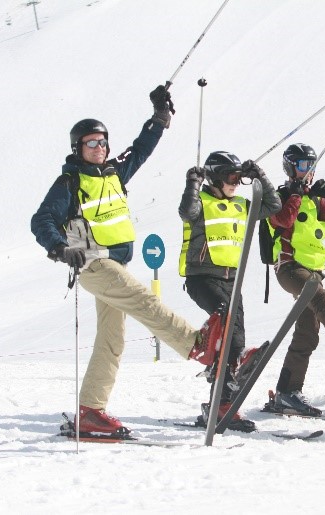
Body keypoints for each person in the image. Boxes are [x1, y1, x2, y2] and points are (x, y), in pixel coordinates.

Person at [31, 86, 204, 435]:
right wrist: (60, 248)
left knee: (113, 339)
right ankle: (199, 347)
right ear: (78, 148)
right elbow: (42, 220)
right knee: (143, 300)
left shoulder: (114, 173)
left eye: (102, 142)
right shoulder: (70, 181)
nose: (99, 148)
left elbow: (141, 149)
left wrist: (159, 118)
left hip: (116, 263)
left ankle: (91, 411)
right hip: (93, 264)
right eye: (91, 143)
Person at [178, 151, 281, 431]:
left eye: (238, 177)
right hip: (201, 278)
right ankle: (218, 363)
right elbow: (186, 212)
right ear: (215, 177)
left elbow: (273, 206)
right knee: (224, 319)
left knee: (235, 340)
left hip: (231, 281)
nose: (235, 183)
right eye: (230, 177)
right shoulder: (201, 201)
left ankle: (222, 402)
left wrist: (260, 176)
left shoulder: (241, 205)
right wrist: (193, 183)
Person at [262, 143, 325, 417]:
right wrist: (294, 194)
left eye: (311, 165)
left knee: (307, 333)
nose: (308, 171)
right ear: (291, 167)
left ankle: (287, 393)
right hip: (289, 268)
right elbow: (283, 220)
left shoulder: (316, 200)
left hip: (313, 271)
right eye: (303, 165)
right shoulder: (279, 196)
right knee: (319, 298)